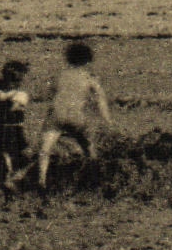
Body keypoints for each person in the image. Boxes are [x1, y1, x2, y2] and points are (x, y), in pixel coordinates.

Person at [36, 41, 115, 191]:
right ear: (88, 60)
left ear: (68, 58)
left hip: (57, 116)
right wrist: (108, 121)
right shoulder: (90, 78)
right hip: (77, 117)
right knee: (89, 149)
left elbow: (47, 94)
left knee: (44, 150)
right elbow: (101, 100)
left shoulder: (60, 75)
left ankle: (41, 181)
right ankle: (94, 180)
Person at [0, 60, 33, 192]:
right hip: (12, 126)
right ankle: (13, 178)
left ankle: (11, 177)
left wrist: (10, 96)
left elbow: (6, 101)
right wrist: (14, 95)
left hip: (7, 126)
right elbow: (14, 105)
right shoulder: (18, 93)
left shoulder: (1, 90)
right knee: (16, 152)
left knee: (8, 152)